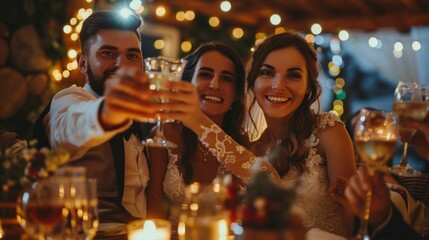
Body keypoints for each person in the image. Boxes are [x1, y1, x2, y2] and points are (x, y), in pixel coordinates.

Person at [158, 31, 357, 237]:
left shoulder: (328, 131)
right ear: (252, 83)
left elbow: (358, 225)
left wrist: (197, 122)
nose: (278, 85)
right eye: (267, 73)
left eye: (293, 75)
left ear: (308, 87)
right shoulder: (248, 150)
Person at [32, 10, 161, 239]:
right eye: (108, 53)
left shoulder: (140, 118)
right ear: (83, 63)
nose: (121, 64)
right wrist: (107, 113)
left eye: (132, 55)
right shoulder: (70, 99)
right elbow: (68, 129)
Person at [146, 42, 247, 220]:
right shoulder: (165, 135)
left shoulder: (241, 146)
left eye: (226, 78)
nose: (215, 85)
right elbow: (154, 204)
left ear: (236, 94)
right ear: (188, 83)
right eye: (205, 75)